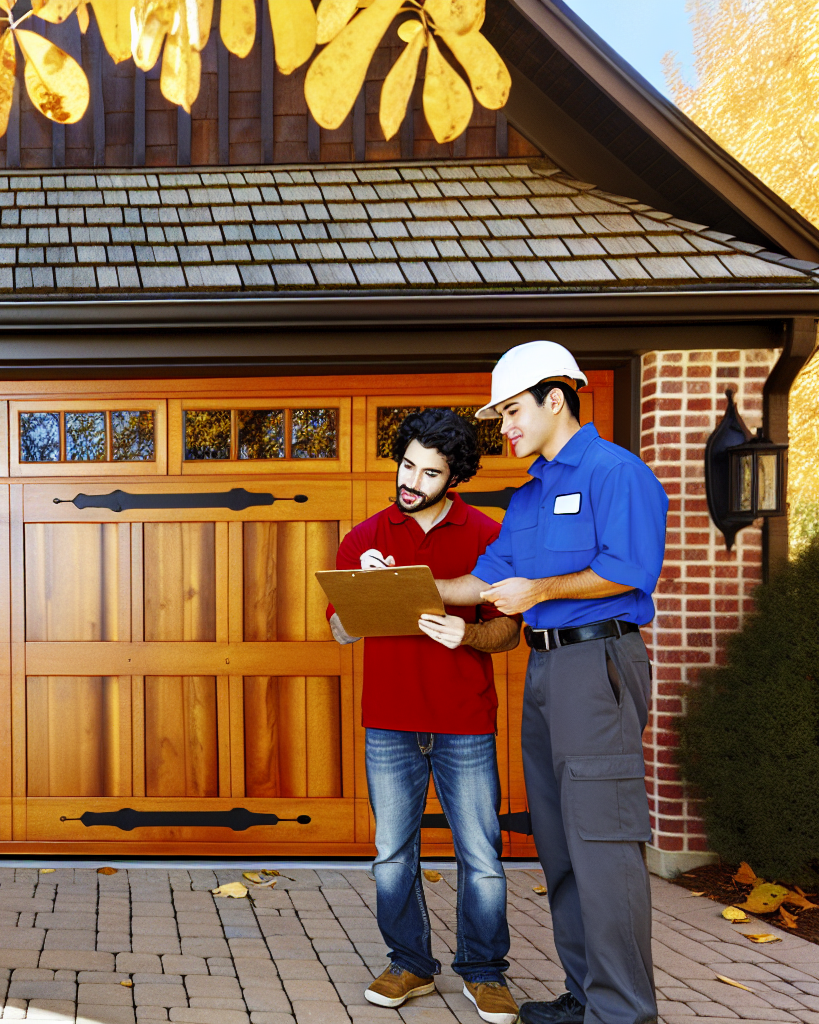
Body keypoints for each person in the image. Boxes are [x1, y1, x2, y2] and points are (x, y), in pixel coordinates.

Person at [435, 341, 668, 1024]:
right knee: (561, 841)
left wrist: (539, 588)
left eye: (511, 411)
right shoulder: (533, 492)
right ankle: (586, 994)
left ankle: (623, 1012)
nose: (503, 427)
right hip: (544, 667)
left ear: (554, 398)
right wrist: (400, 590)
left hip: (598, 667)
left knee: (602, 842)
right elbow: (482, 578)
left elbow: (630, 568)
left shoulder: (613, 472)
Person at [330, 408, 522, 1024]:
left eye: (429, 473)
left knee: (481, 852)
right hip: (388, 719)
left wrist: (463, 635)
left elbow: (508, 632)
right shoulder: (363, 537)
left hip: (464, 719)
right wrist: (366, 591)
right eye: (407, 465)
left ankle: (484, 971)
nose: (411, 481)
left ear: (454, 477)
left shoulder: (488, 536)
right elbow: (338, 633)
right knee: (393, 850)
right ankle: (409, 962)